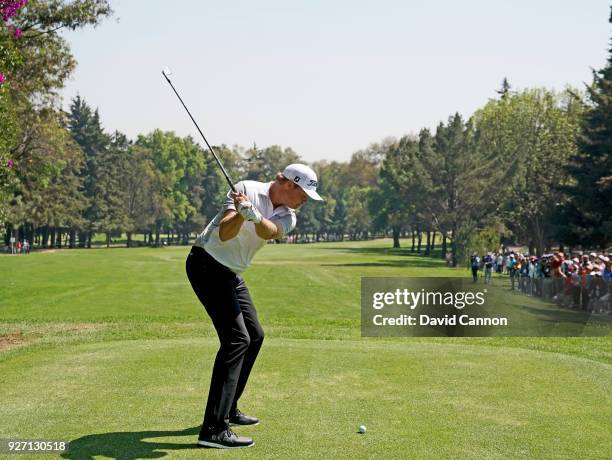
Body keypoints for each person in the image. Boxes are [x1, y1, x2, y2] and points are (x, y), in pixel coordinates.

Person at [186, 164, 323, 449]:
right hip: (206, 264)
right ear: (289, 184)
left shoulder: (289, 216)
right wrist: (241, 213)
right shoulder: (245, 189)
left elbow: (271, 231)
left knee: (254, 336)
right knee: (237, 339)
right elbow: (224, 233)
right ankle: (213, 428)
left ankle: (228, 407)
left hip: (231, 273)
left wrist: (255, 216)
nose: (306, 200)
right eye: (305, 193)